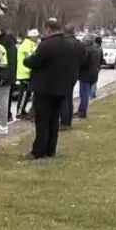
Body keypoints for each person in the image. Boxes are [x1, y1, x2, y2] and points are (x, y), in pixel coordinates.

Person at [25, 18, 80, 159]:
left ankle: (39, 150)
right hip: (61, 89)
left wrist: (27, 59)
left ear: (48, 29)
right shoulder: (68, 45)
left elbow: (33, 62)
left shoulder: (46, 45)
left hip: (44, 88)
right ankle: (51, 149)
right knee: (54, 120)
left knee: (42, 121)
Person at [59, 25, 86, 130]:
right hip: (74, 72)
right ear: (74, 32)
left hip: (63, 72)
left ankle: (64, 122)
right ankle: (68, 121)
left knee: (64, 98)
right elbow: (83, 59)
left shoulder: (63, 43)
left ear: (65, 32)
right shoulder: (80, 44)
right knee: (69, 97)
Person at [14, 29, 39, 119]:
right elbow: (30, 58)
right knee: (24, 93)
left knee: (27, 94)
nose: (37, 38)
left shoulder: (30, 44)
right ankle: (20, 112)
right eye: (36, 37)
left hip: (27, 72)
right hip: (25, 73)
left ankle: (22, 110)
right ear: (32, 37)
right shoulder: (26, 45)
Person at [77, 36, 103, 118]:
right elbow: (100, 62)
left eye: (84, 41)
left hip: (86, 76)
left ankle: (82, 112)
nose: (82, 42)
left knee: (84, 94)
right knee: (86, 94)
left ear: (87, 42)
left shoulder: (87, 51)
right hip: (93, 75)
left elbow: (84, 63)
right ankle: (81, 109)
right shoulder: (98, 50)